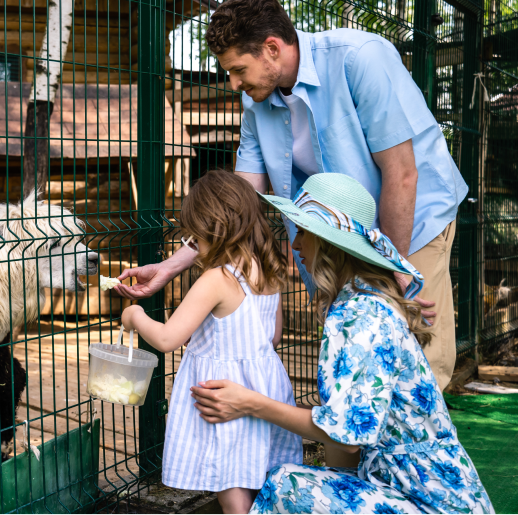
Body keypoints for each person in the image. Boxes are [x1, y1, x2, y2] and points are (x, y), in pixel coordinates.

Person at [116, 0, 467, 396]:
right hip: (334, 239)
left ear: (271, 48)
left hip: (411, 219)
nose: (232, 83)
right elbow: (237, 207)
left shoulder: (360, 58)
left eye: (238, 69)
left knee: (414, 359)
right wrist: (171, 265)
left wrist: (392, 270)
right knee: (353, 364)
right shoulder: (255, 105)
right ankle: (352, 457)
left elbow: (402, 174)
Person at [188, 173, 494, 514]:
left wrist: (249, 403)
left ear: (327, 242)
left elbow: (346, 437)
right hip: (420, 490)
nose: (295, 244)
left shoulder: (359, 316)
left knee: (287, 485)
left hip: (425, 502)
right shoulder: (364, 300)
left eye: (303, 232)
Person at [120, 170, 302, 515]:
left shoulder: (215, 279)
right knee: (253, 469)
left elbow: (166, 338)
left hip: (222, 394)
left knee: (229, 485)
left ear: (214, 229)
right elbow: (272, 335)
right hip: (264, 387)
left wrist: (134, 317)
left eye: (196, 236)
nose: (195, 245)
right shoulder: (268, 267)